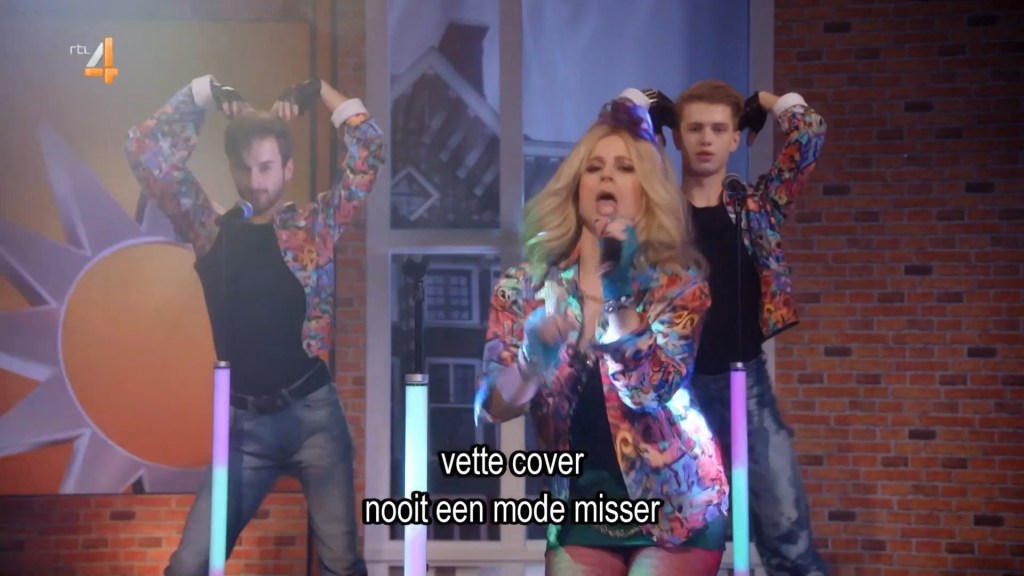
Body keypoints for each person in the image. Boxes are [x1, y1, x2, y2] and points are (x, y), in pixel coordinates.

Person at [125, 73, 384, 576]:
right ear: (232, 169)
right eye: (245, 168)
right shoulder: (211, 229)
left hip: (314, 417)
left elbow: (369, 152)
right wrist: (202, 92)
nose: (256, 181)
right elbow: (144, 151)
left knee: (340, 565)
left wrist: (318, 90)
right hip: (244, 427)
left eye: (266, 167)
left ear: (287, 168)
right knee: (188, 565)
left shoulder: (313, 229)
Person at [474, 93, 729, 576]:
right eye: (594, 168)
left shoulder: (677, 285)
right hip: (581, 512)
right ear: (577, 187)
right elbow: (492, 408)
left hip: (678, 512)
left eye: (624, 168)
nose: (607, 177)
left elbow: (649, 391)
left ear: (644, 192)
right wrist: (532, 360)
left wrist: (616, 295)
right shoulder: (524, 287)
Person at [635, 80, 829, 576]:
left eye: (719, 129)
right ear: (677, 137)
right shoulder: (657, 215)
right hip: (678, 396)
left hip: (746, 385)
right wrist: (642, 104)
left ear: (735, 138)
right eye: (694, 128)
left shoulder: (755, 207)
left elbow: (809, 134)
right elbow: (611, 142)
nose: (706, 138)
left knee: (787, 534)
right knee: (679, 544)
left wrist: (767, 102)